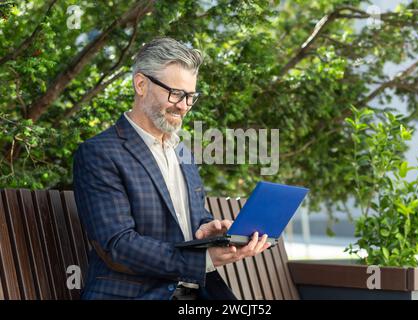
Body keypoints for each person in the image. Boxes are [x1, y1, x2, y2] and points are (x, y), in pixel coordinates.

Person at [73, 37, 271, 300]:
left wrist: (209, 230)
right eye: (176, 93)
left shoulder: (182, 151)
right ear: (141, 84)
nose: (184, 106)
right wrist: (202, 261)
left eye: (190, 97)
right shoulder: (100, 153)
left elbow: (193, 219)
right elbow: (118, 245)